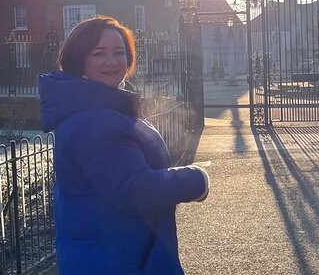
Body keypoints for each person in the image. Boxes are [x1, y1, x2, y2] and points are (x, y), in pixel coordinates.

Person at [39, 16, 209, 274]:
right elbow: (138, 191)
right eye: (99, 53)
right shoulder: (96, 121)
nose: (112, 61)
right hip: (121, 260)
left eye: (120, 52)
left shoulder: (98, 108)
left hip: (115, 253)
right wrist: (196, 179)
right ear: (78, 59)